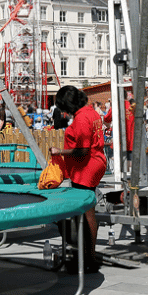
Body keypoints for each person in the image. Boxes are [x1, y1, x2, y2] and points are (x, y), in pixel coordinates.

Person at [50, 85, 106, 273]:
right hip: (96, 162)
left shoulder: (82, 118)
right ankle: (87, 254)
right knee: (87, 210)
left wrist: (60, 151)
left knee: (86, 212)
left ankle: (88, 257)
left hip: (86, 167)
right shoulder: (91, 112)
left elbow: (83, 150)